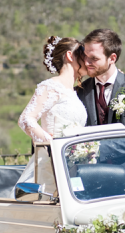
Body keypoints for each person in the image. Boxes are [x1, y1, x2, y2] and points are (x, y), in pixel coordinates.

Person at [15, 36, 88, 193]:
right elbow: (26, 119)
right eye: (83, 54)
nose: (88, 59)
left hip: (71, 166)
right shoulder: (51, 86)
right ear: (70, 56)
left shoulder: (72, 92)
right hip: (50, 164)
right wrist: (53, 145)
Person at [77, 29, 125, 128]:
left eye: (94, 58)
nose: (86, 62)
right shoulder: (79, 91)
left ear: (112, 58)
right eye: (85, 56)